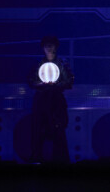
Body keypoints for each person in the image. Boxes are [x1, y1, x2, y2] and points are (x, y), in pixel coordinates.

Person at [28, 35, 74, 163]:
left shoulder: (62, 63)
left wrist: (56, 85)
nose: (49, 47)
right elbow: (31, 80)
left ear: (56, 47)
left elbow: (69, 80)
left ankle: (60, 161)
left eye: (51, 45)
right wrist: (41, 85)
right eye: (46, 45)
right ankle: (37, 158)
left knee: (59, 130)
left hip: (57, 100)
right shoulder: (38, 63)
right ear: (43, 47)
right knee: (38, 130)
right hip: (41, 101)